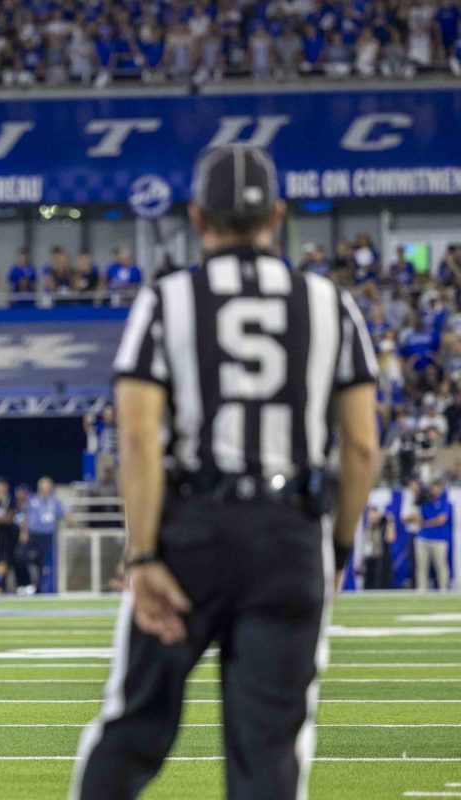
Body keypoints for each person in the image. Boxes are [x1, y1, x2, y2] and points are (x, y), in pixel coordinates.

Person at [71, 146, 379, 800]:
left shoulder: (167, 301)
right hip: (287, 534)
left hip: (191, 533)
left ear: (196, 218)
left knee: (132, 728)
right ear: (277, 216)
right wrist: (338, 548)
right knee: (268, 754)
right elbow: (361, 449)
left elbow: (136, 436)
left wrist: (145, 550)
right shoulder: (329, 304)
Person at [19, 477, 66, 594]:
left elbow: (64, 515)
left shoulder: (55, 501)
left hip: (48, 536)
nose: (44, 488)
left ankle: (42, 590)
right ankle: (27, 582)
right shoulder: (32, 500)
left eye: (47, 486)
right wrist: (23, 532)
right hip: (33, 535)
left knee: (46, 565)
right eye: (42, 486)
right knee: (19, 555)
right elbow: (26, 516)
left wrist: (79, 528)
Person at [413, 478, 452, 591]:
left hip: (439, 538)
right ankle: (421, 589)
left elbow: (442, 519)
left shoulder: (444, 501)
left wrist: (427, 523)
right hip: (423, 537)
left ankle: (443, 588)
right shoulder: (425, 500)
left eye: (436, 487)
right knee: (421, 566)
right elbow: (418, 518)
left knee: (441, 566)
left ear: (440, 488)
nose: (434, 490)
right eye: (432, 487)